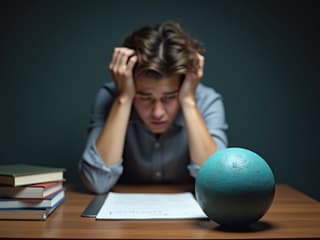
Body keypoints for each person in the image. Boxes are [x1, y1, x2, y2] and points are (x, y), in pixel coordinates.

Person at [79, 21, 228, 194]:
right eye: (144, 97)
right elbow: (97, 182)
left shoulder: (207, 100)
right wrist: (124, 98)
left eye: (170, 97)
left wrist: (188, 101)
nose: (158, 113)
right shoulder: (111, 98)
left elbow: (217, 183)